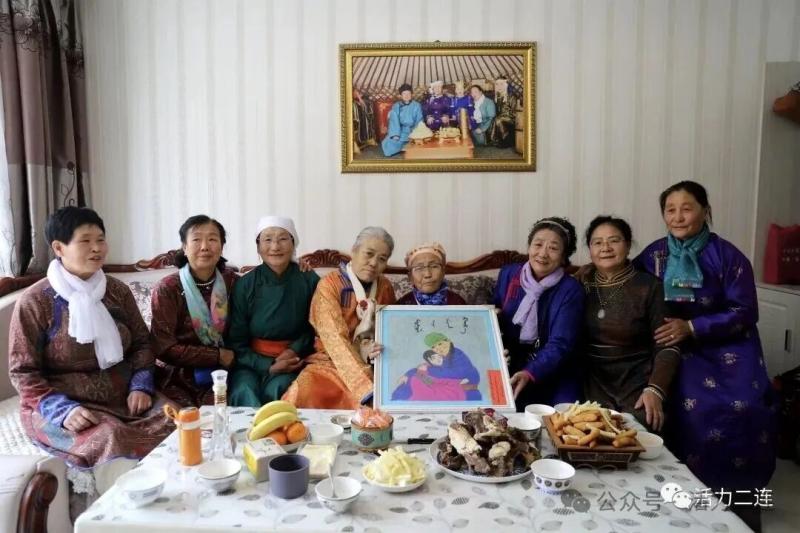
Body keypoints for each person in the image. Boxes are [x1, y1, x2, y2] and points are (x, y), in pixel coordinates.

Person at [635, 181, 775, 529]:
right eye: (670, 210)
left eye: (687, 208)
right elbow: (627, 283)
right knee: (687, 405)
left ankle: (741, 497)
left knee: (746, 406)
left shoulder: (728, 256)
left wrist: (693, 326)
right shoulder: (654, 255)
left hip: (730, 346)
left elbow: (746, 311)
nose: (678, 216)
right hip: (677, 349)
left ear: (705, 211)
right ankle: (685, 495)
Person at [8, 207, 174, 469]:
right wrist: (62, 410)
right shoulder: (35, 301)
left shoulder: (117, 291)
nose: (97, 248)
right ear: (59, 248)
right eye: (85, 241)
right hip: (67, 403)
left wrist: (140, 386)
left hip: (123, 395)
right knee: (112, 439)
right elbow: (22, 371)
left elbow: (142, 343)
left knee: (177, 421)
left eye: (100, 239)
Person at [577, 216, 679, 431]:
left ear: (628, 245)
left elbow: (667, 346)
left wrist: (655, 389)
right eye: (597, 242)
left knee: (639, 428)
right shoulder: (580, 282)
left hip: (636, 379)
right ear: (590, 249)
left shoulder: (650, 287)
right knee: (586, 429)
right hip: (591, 380)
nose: (605, 248)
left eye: (614, 240)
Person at [283, 227, 397, 408]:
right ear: (354, 250)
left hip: (375, 361)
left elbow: (391, 330)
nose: (374, 263)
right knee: (305, 393)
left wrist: (372, 349)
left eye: (382, 259)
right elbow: (333, 338)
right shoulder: (329, 285)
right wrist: (364, 383)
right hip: (331, 361)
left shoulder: (385, 287)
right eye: (369, 254)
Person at [227, 216, 319, 407]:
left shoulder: (309, 279)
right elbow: (236, 340)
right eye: (267, 239)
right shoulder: (245, 284)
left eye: (283, 239)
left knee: (278, 391)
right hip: (250, 363)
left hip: (293, 361)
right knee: (244, 391)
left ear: (293, 243)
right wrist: (268, 365)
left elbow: (316, 327)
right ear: (258, 247)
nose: (275, 247)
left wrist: (293, 350)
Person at [494, 217, 585, 409]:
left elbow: (561, 343)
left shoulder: (571, 289)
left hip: (557, 369)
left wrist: (530, 372)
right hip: (511, 364)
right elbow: (494, 319)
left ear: (564, 256)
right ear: (529, 247)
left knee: (563, 417)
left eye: (553, 248)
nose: (543, 254)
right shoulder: (508, 274)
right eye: (538, 244)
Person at [150, 215, 237, 407]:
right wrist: (217, 355)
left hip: (226, 371)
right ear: (184, 247)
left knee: (235, 412)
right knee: (183, 419)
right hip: (178, 376)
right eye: (196, 239)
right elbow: (162, 347)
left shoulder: (233, 282)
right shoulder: (168, 288)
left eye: (212, 239)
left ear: (221, 246)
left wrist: (296, 264)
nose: (205, 247)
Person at [391, 332, 481, 401]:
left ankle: (399, 400)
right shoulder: (443, 356)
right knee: (414, 379)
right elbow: (428, 367)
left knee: (416, 380)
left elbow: (450, 373)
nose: (438, 348)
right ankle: (395, 402)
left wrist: (424, 372)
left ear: (449, 341)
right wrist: (409, 373)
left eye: (440, 344)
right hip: (444, 383)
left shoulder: (458, 355)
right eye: (434, 347)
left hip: (459, 388)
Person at [396, 242, 466, 305]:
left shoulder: (457, 302)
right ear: (410, 277)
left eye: (434, 266)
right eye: (419, 268)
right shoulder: (401, 305)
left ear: (443, 272)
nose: (427, 274)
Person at [381, 83, 424, 157]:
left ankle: (408, 145)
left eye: (408, 93)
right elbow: (394, 121)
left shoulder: (417, 105)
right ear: (400, 95)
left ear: (412, 94)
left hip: (412, 130)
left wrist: (416, 132)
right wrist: (395, 134)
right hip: (400, 130)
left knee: (418, 142)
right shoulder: (396, 105)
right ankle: (401, 145)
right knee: (389, 142)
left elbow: (419, 120)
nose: (406, 96)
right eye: (404, 94)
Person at [488, 76, 517, 148]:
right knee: (495, 119)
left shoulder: (511, 96)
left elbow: (515, 113)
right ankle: (494, 140)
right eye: (497, 84)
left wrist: (504, 116)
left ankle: (506, 141)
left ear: (505, 85)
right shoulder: (496, 97)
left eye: (501, 84)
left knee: (498, 120)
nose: (499, 86)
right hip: (499, 118)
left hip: (511, 118)